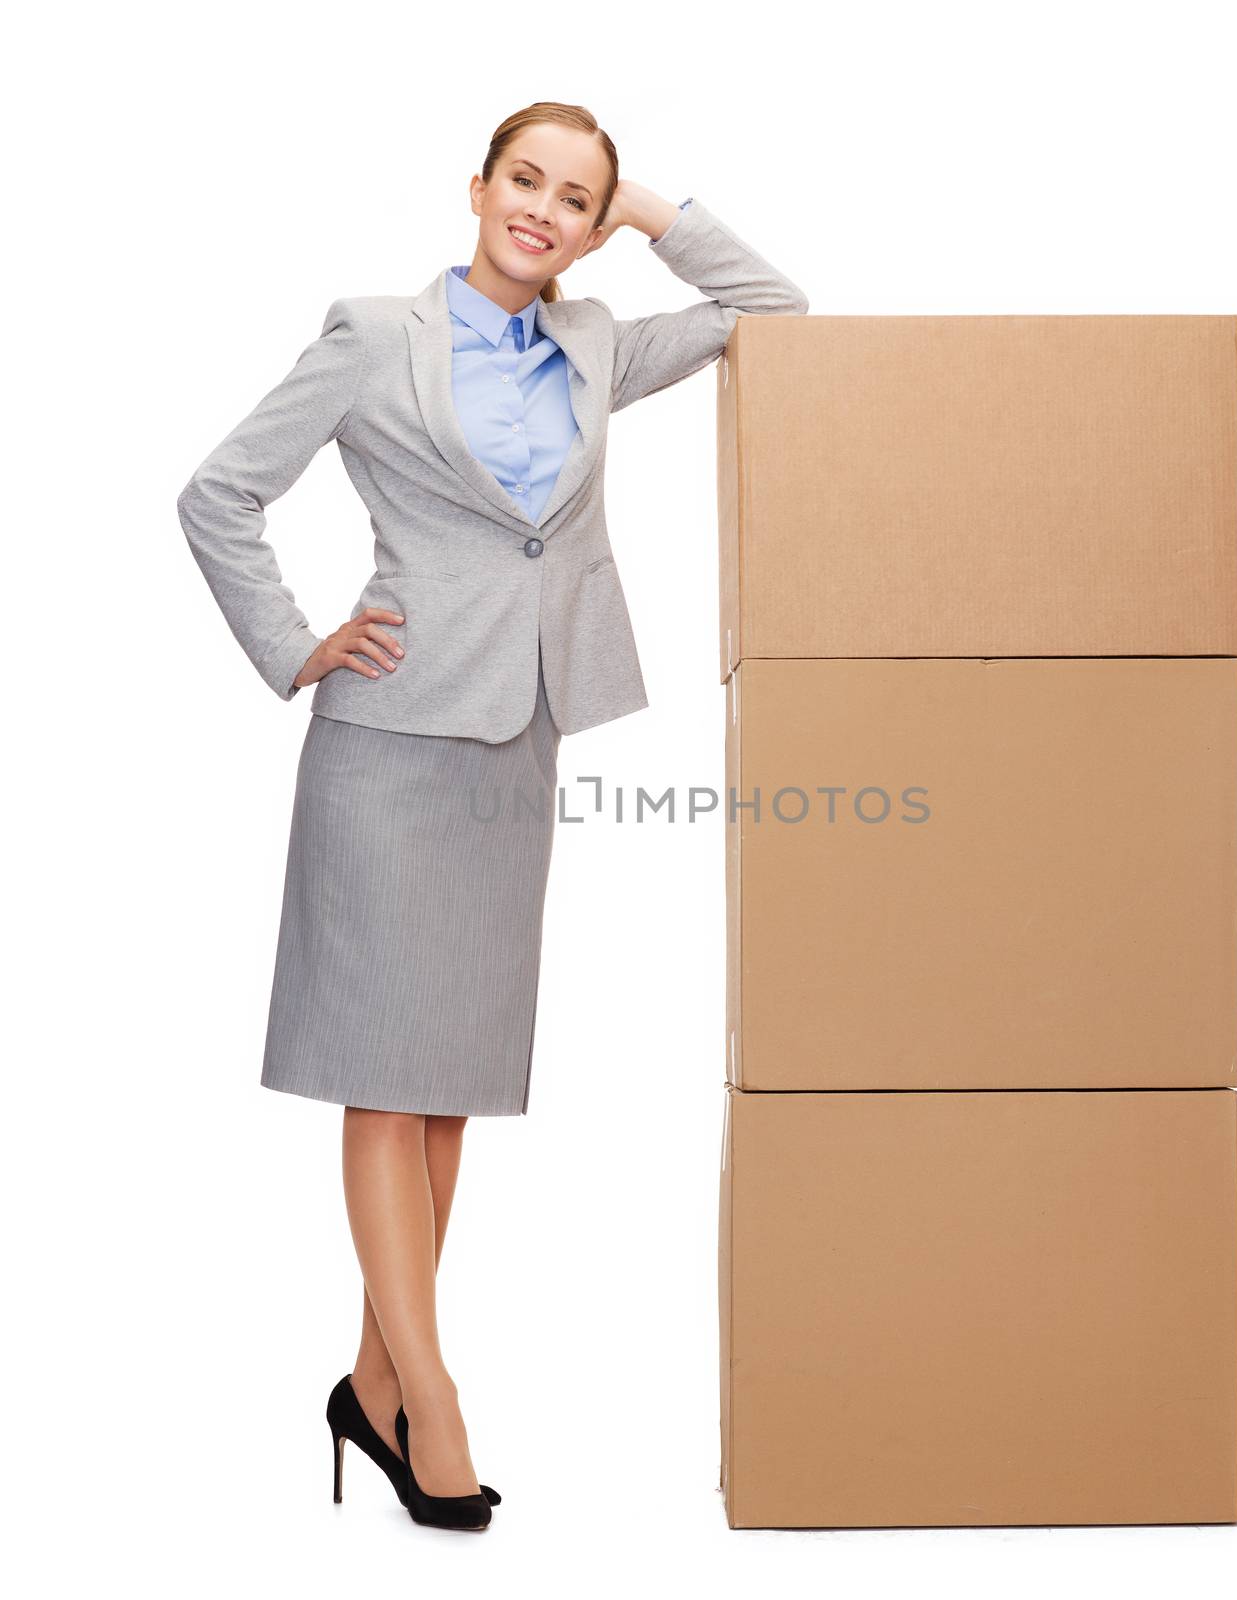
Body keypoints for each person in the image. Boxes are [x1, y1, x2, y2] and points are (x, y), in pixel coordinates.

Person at [177, 100, 808, 1532]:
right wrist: (295, 642)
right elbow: (218, 495)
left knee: (448, 1079)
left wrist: (644, 201)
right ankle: (436, 1393)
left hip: (514, 735)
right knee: (383, 1076)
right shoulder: (370, 333)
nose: (543, 209)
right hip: (388, 741)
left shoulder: (596, 346)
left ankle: (370, 1382)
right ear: (475, 187)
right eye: (525, 179)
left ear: (593, 226)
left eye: (572, 197)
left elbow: (771, 306)